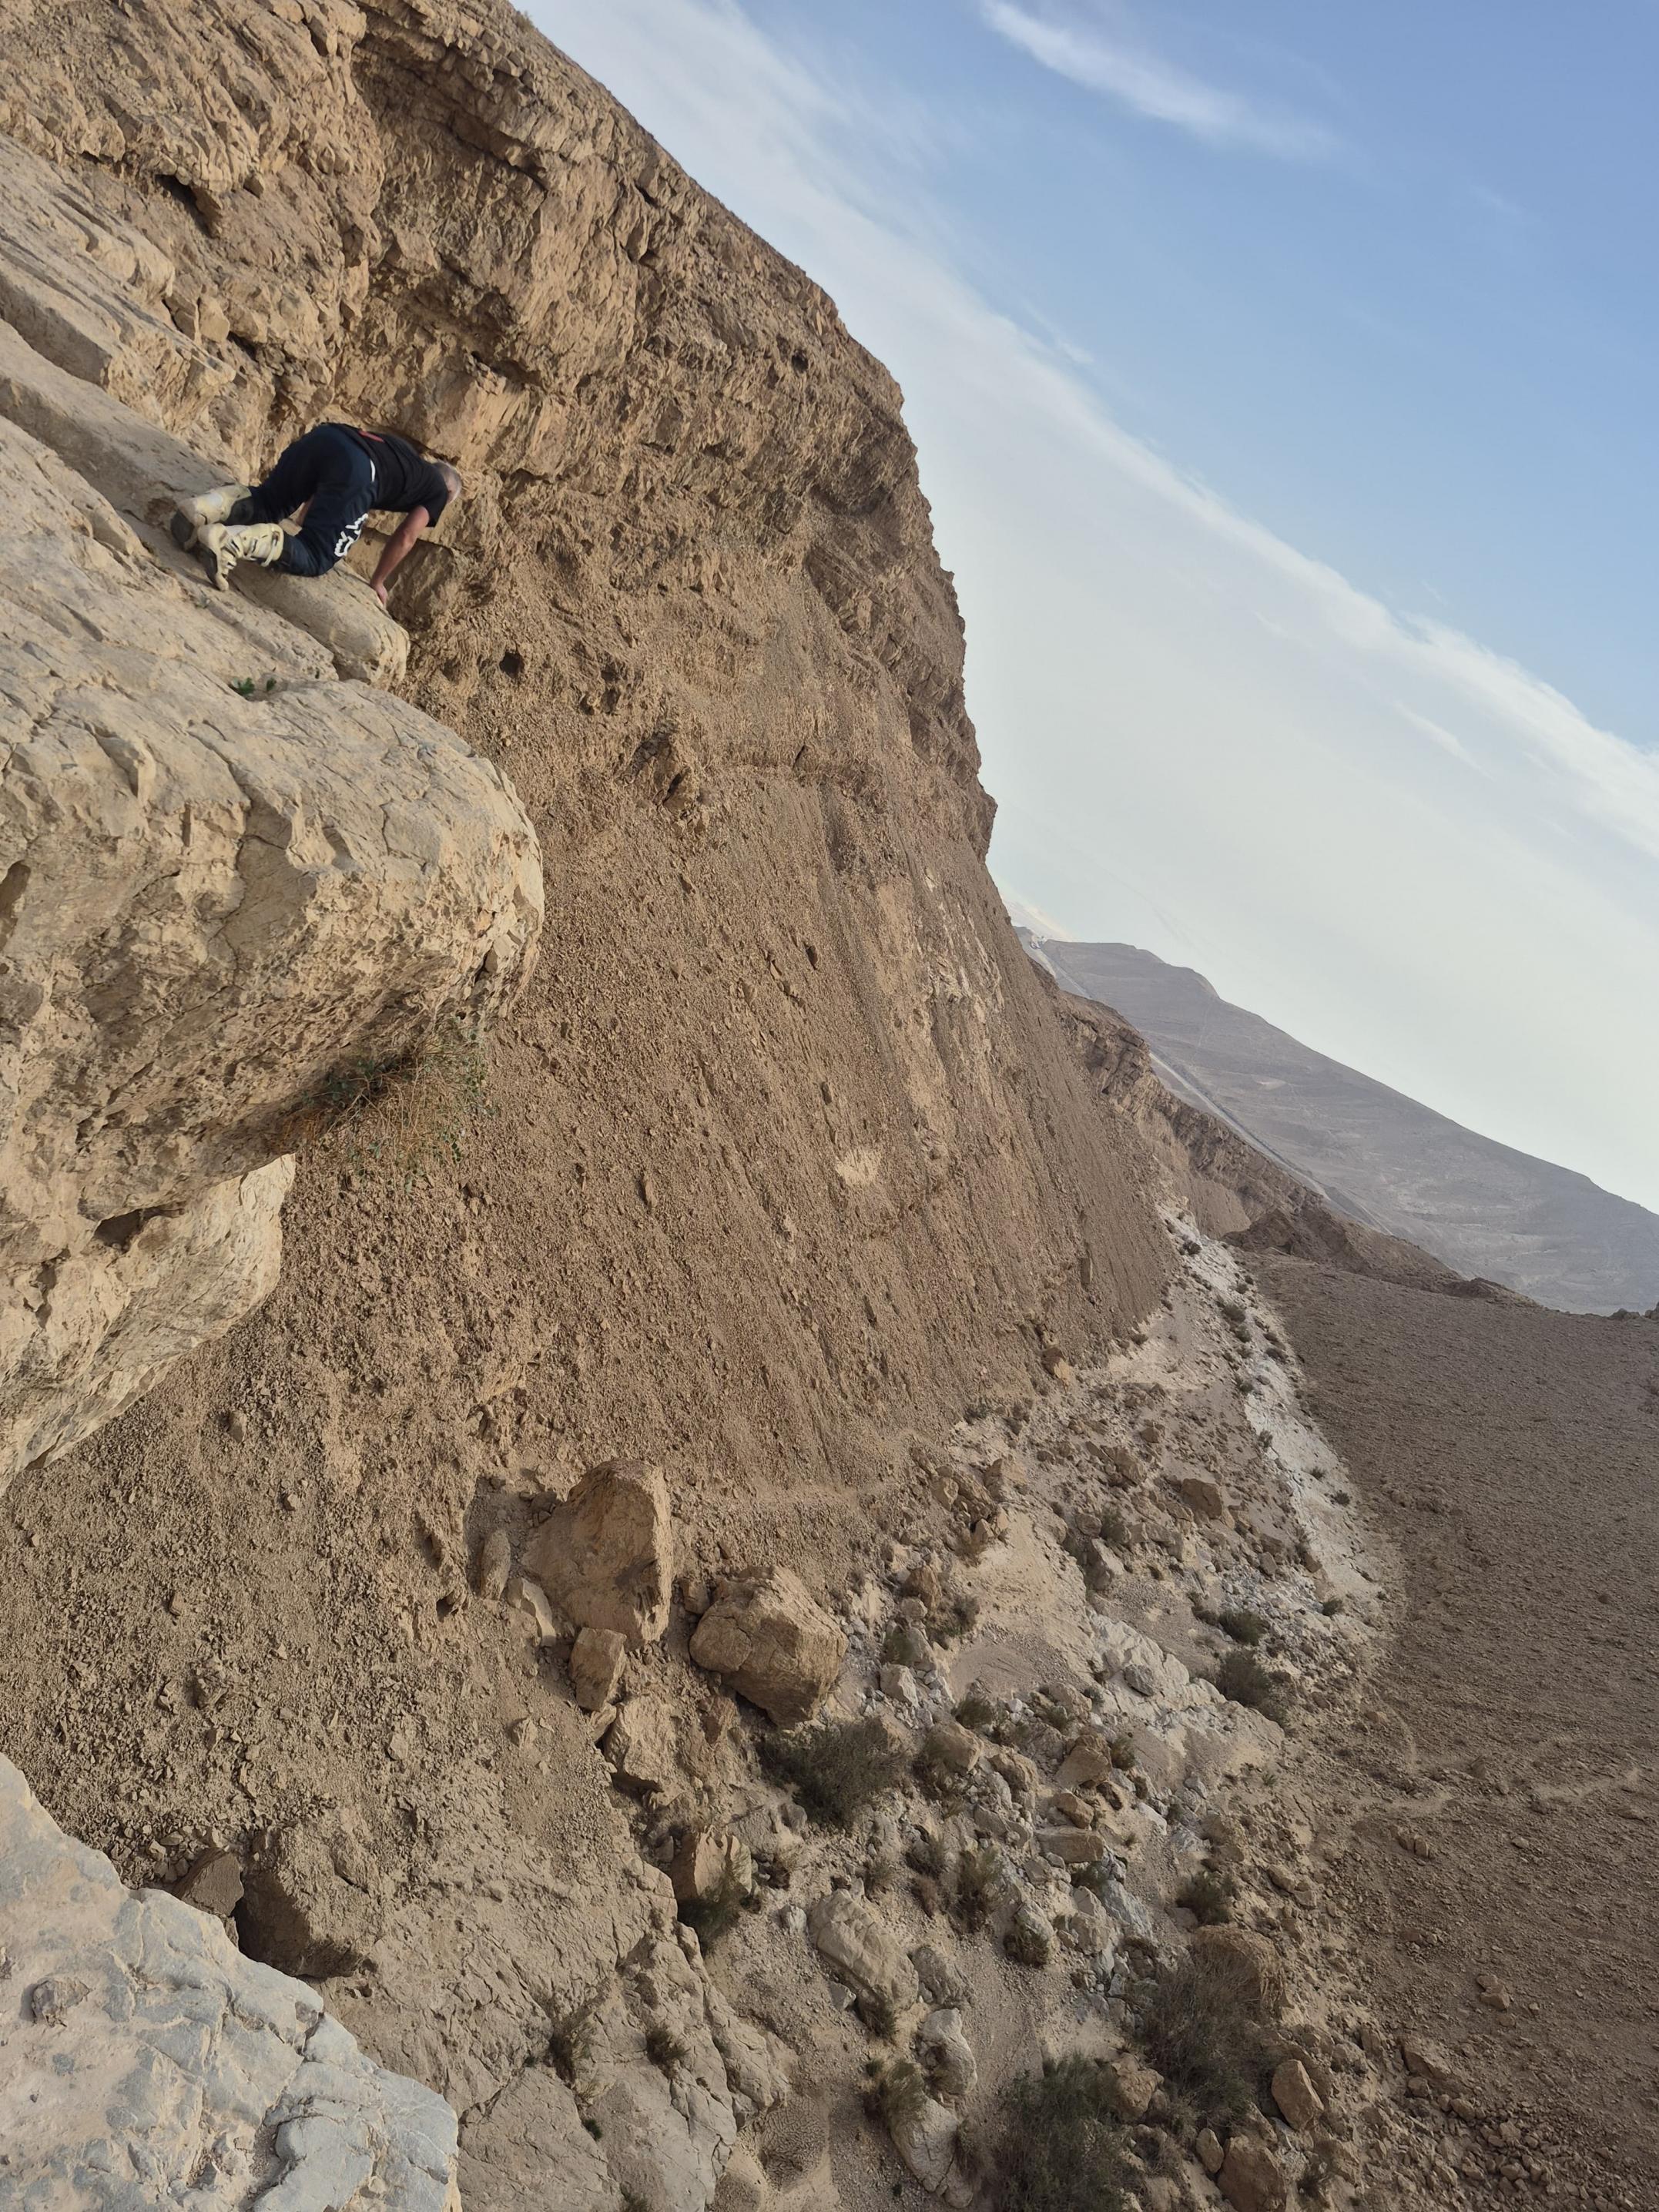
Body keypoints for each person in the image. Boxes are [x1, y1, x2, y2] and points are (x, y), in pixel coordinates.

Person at [170, 424, 461, 602]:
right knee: (317, 556)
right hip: (358, 470)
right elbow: (407, 535)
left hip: (329, 436)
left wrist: (308, 514)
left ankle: (203, 507)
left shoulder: (405, 456)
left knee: (271, 502)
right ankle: (228, 542)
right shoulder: (439, 490)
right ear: (448, 492)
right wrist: (378, 582)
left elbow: (344, 464)